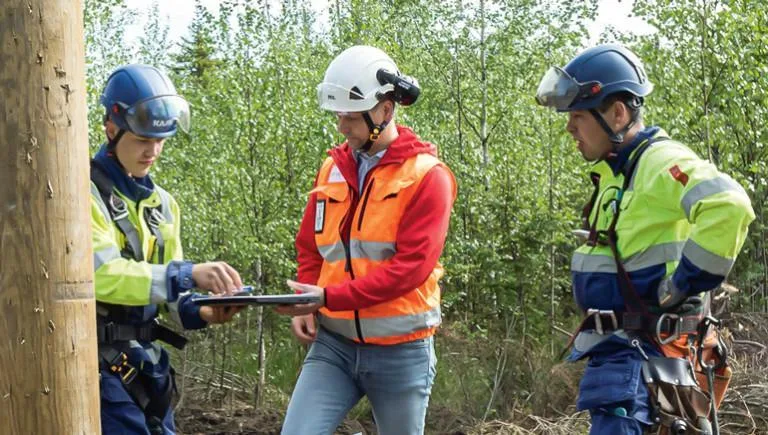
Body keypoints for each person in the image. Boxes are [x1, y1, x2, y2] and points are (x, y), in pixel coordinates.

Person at [535, 44, 755, 434]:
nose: (570, 127)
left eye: (579, 116)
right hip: (626, 358)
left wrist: (686, 283)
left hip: (644, 360)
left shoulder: (658, 161)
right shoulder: (619, 172)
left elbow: (729, 204)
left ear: (617, 113)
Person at [274, 45, 457, 435]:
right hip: (334, 346)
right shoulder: (331, 169)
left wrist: (327, 298)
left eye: (351, 118)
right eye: (338, 115)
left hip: (401, 352)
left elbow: (411, 269)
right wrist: (309, 301)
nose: (342, 126)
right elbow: (311, 248)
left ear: (385, 110)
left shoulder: (428, 177)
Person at [92, 64, 244, 434]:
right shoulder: (84, 194)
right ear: (112, 130)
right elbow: (99, 276)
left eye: (160, 141)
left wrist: (201, 311)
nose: (153, 152)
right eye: (143, 141)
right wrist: (186, 273)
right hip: (101, 368)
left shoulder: (164, 205)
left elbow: (170, 294)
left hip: (150, 369)